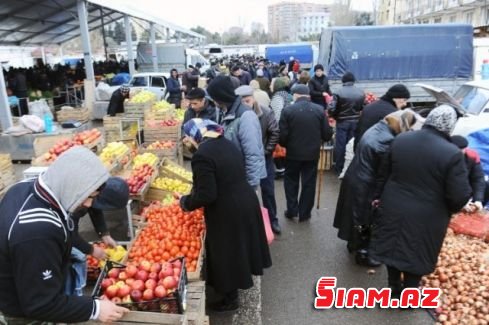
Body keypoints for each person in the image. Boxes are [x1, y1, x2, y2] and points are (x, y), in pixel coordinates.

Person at [0, 146, 129, 323]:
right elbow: (41, 304)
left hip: (22, 283)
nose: (90, 204)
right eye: (89, 196)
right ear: (72, 185)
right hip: (22, 313)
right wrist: (95, 308)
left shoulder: (24, 188)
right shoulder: (38, 232)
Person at [369, 105, 472, 297]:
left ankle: (393, 287)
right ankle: (409, 293)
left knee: (392, 246)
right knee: (417, 253)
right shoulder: (452, 153)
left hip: (393, 204)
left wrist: (378, 198)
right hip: (428, 215)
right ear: (449, 126)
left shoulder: (401, 140)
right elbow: (458, 196)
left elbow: (383, 174)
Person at [180, 118, 272, 312]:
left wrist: (186, 203)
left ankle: (230, 299)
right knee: (239, 247)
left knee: (226, 251)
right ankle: (235, 287)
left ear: (196, 134)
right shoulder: (226, 143)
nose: (186, 142)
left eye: (187, 137)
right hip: (245, 200)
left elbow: (207, 194)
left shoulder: (202, 155)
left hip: (227, 209)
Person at [333, 109, 418, 267]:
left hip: (355, 176)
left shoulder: (377, 128)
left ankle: (353, 244)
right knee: (365, 218)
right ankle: (364, 254)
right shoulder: (386, 140)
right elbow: (383, 170)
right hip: (366, 183)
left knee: (355, 215)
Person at [67, 177, 129, 296]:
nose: (90, 204)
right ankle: (74, 294)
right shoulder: (75, 203)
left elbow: (95, 208)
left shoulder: (93, 191)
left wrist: (104, 234)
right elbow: (69, 233)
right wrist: (91, 250)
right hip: (49, 233)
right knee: (78, 257)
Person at [279, 84, 333, 222]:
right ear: (308, 95)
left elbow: (282, 136)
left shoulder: (287, 110)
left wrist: (287, 145)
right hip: (312, 154)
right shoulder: (319, 110)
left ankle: (292, 210)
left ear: (295, 95)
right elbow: (327, 134)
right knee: (309, 183)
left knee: (291, 181)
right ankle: (305, 213)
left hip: (293, 153)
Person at [235, 85, 281, 234]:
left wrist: (266, 151)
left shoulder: (266, 112)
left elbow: (274, 132)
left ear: (253, 98)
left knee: (268, 191)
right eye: (242, 102)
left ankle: (273, 220)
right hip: (244, 160)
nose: (246, 105)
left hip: (265, 159)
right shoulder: (238, 115)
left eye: (248, 101)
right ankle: (252, 224)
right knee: (247, 193)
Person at [207, 76, 266, 189]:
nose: (213, 101)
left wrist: (251, 186)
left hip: (243, 180)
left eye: (214, 98)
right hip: (233, 175)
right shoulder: (226, 112)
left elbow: (252, 153)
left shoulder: (246, 116)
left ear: (220, 97)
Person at [328, 72, 366, 175]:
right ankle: (350, 167)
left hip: (342, 122)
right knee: (352, 145)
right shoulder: (360, 93)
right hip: (355, 121)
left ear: (343, 81)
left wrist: (335, 116)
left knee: (340, 145)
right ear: (353, 80)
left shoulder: (338, 92)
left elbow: (331, 108)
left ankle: (339, 168)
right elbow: (363, 107)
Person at [354, 84, 410, 150]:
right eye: (404, 100)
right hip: (374, 152)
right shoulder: (392, 113)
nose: (405, 104)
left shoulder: (369, 107)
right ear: (396, 98)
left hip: (360, 148)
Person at [451, 135, 487, 212]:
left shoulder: (471, 156)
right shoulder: (442, 156)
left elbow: (478, 178)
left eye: (463, 150)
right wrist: (460, 202)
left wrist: (478, 199)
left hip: (463, 189)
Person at [270, 77, 291, 178]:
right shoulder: (288, 95)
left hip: (281, 126)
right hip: (289, 125)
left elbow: (276, 114)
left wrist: (275, 129)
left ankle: (280, 170)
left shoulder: (278, 97)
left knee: (278, 150)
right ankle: (285, 169)